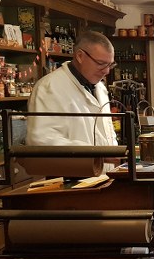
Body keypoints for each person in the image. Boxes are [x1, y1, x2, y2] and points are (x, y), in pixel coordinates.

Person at [26, 30, 118, 172]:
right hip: (70, 178)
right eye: (101, 64)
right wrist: (97, 154)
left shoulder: (99, 87)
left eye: (110, 65)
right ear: (80, 56)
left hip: (105, 176)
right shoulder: (49, 87)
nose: (107, 71)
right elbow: (41, 140)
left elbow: (107, 131)